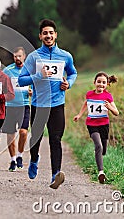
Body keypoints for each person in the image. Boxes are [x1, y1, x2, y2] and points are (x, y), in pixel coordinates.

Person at [18, 19, 77, 189]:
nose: (48, 35)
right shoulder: (33, 57)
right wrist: (38, 76)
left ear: (56, 35)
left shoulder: (65, 56)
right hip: (38, 105)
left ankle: (55, 175)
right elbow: (21, 80)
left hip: (57, 104)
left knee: (55, 139)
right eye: (45, 33)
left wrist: (69, 83)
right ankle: (34, 159)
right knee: (35, 138)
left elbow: (73, 73)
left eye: (51, 32)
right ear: (40, 36)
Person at [73, 72, 119, 184]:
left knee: (103, 150)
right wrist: (79, 115)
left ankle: (99, 154)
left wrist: (110, 107)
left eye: (103, 82)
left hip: (104, 125)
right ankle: (101, 172)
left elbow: (117, 113)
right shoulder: (89, 94)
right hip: (92, 125)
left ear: (107, 84)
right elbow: (86, 103)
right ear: (94, 83)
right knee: (98, 145)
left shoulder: (108, 96)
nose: (101, 84)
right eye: (99, 82)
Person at [2, 47, 32, 172]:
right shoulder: (7, 70)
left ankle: (20, 155)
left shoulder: (30, 70)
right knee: (10, 135)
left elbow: (36, 85)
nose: (17, 58)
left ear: (24, 56)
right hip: (10, 106)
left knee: (23, 132)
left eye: (19, 56)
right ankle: (13, 159)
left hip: (24, 105)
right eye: (15, 56)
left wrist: (32, 92)